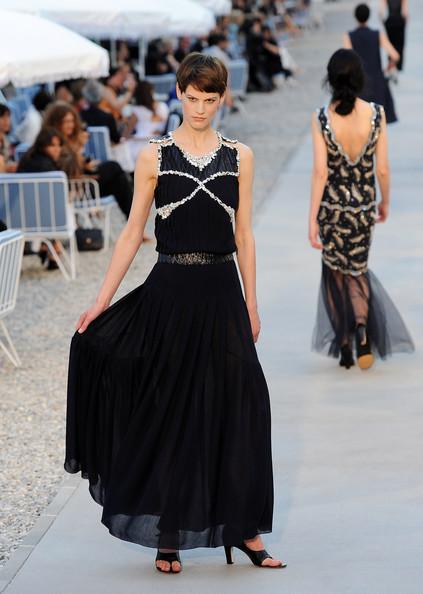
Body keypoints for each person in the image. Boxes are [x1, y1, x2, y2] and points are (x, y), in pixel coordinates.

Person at [64, 53, 285, 574]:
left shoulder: (240, 156)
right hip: (168, 291)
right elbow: (129, 234)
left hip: (222, 293)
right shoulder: (154, 155)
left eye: (210, 99)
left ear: (222, 97)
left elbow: (245, 235)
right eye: (192, 97)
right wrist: (101, 301)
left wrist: (252, 301)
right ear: (180, 94)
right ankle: (168, 529)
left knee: (242, 403)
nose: (200, 107)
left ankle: (245, 529)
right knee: (168, 408)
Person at [309, 48, 414, 369]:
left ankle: (343, 343)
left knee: (335, 273)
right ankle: (362, 330)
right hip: (363, 207)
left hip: (333, 208)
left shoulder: (321, 118)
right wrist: (384, 201)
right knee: (358, 270)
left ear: (330, 79)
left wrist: (312, 219)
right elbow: (382, 168)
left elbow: (321, 172)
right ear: (360, 78)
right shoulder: (377, 114)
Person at [44, 101, 133, 218]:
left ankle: (133, 223)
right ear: (56, 122)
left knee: (119, 180)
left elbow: (76, 165)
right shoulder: (53, 142)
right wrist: (79, 147)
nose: (71, 125)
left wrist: (84, 164)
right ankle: (134, 223)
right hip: (76, 188)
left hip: (84, 183)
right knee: (113, 167)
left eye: (72, 121)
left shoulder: (68, 138)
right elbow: (66, 168)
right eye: (66, 121)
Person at [17, 127, 65, 270]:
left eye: (59, 145)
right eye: (52, 145)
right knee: (56, 205)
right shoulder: (48, 167)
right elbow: (56, 199)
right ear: (43, 146)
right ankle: (52, 248)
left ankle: (47, 247)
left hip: (18, 216)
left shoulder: (26, 159)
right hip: (43, 220)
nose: (57, 149)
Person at [344, 3, 399, 123]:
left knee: (361, 121)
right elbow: (395, 55)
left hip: (358, 83)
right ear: (368, 16)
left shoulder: (349, 36)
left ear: (355, 17)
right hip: (377, 82)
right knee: (378, 122)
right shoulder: (377, 34)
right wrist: (388, 68)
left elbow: (347, 60)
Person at [127, 81, 169, 163]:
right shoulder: (162, 107)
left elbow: (127, 133)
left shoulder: (136, 110)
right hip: (158, 145)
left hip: (139, 146)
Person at [379, 0, 408, 72]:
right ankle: (398, 67)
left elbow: (381, 13)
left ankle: (391, 66)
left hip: (390, 22)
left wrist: (384, 23)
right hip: (399, 22)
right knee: (400, 46)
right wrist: (404, 24)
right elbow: (405, 13)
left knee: (390, 45)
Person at [0, 105, 17, 173]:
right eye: (2, 117)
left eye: (8, 116)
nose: (6, 120)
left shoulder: (7, 140)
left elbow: (11, 159)